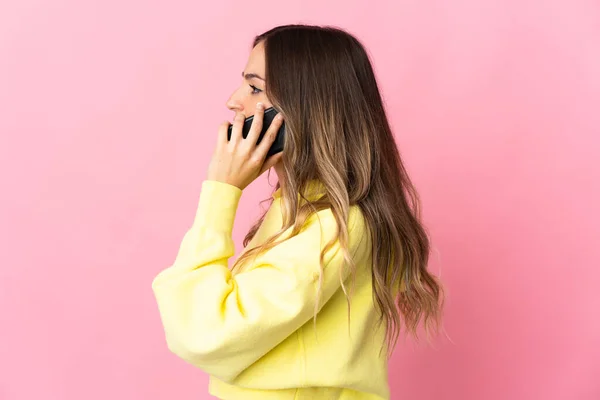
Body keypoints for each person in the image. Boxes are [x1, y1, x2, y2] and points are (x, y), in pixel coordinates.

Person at [152, 24, 445, 400]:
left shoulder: (334, 225)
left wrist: (220, 193)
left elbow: (203, 332)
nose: (233, 100)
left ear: (306, 107)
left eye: (255, 88)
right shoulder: (296, 208)